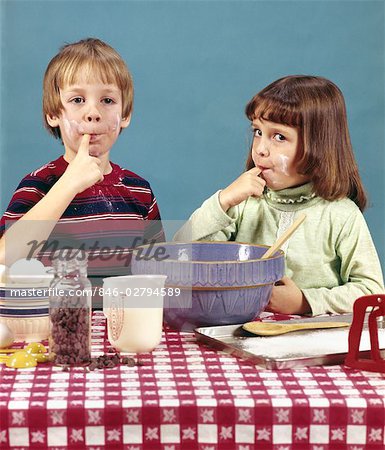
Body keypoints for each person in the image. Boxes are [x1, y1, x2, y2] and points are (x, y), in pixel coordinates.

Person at [174, 75, 384, 316]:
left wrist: (304, 301)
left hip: (312, 345)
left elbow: (371, 292)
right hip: (241, 335)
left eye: (279, 137)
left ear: (317, 147)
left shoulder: (341, 215)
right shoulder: (244, 204)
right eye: (257, 132)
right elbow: (181, 255)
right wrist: (222, 202)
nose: (261, 149)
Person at [0, 38, 164, 277]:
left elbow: (157, 274)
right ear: (54, 114)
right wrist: (68, 184)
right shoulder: (38, 186)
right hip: (53, 315)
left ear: (125, 114)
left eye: (107, 100)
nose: (93, 113)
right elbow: (5, 257)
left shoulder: (140, 191)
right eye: (77, 100)